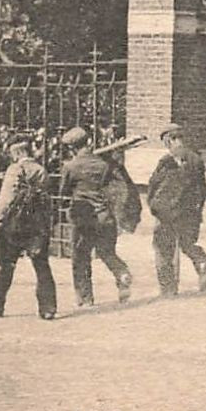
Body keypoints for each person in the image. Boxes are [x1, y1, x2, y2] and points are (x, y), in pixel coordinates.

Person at [0, 134, 57, 320]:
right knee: (41, 265)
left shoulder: (15, 169)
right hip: (37, 224)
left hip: (15, 225)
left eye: (12, 153)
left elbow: (6, 199)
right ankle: (48, 308)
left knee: (7, 265)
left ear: (18, 152)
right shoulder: (41, 170)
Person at [57, 126, 133, 306]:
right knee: (107, 252)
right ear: (88, 142)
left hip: (83, 218)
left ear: (72, 148)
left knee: (80, 256)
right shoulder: (103, 165)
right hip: (105, 216)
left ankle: (86, 297)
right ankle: (121, 273)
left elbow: (63, 191)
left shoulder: (70, 166)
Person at [147, 123, 206, 296]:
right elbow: (202, 189)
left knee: (162, 250)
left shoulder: (166, 162)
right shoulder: (195, 160)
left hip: (166, 214)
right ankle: (201, 261)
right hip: (189, 213)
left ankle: (168, 289)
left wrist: (153, 205)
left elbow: (153, 185)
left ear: (169, 140)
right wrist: (197, 210)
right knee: (188, 245)